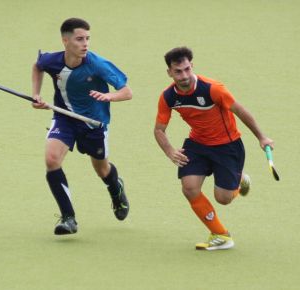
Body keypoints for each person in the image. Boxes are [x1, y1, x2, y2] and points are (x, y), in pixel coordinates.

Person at [154, 47, 274, 250]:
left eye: (186, 69)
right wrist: (170, 151)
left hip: (227, 146)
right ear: (169, 73)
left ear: (192, 66)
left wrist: (261, 137)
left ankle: (239, 181)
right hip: (197, 144)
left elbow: (240, 111)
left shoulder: (212, 89)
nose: (183, 76)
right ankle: (221, 235)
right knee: (189, 188)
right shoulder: (168, 97)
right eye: (178, 71)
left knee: (223, 198)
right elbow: (159, 130)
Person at [32, 18, 132, 235]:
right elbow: (38, 66)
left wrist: (109, 96)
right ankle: (68, 218)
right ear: (65, 41)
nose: (85, 43)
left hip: (93, 124)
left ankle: (116, 188)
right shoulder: (52, 61)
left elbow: (127, 91)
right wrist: (36, 94)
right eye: (79, 39)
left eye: (87, 38)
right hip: (64, 118)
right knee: (51, 160)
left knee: (102, 169)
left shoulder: (97, 64)